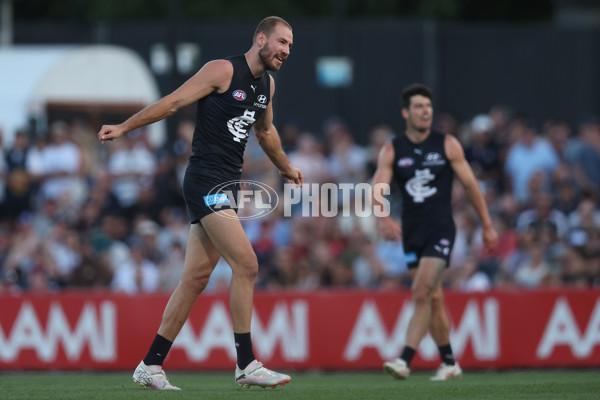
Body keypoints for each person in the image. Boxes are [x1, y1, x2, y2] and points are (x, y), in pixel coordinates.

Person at [97, 16, 302, 391]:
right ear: (260, 39)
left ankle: (151, 365)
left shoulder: (266, 86)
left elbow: (265, 130)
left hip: (229, 186)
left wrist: (286, 166)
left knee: (194, 279)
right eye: (282, 42)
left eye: (290, 45)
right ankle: (246, 363)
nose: (287, 51)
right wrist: (125, 127)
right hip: (206, 181)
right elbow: (173, 102)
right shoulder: (222, 70)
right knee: (247, 264)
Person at [371, 83, 498, 381]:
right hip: (412, 232)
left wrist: (487, 225)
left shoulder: (447, 144)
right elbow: (378, 187)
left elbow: (470, 186)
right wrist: (383, 217)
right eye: (418, 106)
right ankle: (450, 362)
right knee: (434, 298)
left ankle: (404, 359)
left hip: (441, 227)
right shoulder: (393, 149)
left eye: (428, 106)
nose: (425, 111)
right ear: (406, 112)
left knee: (421, 292)